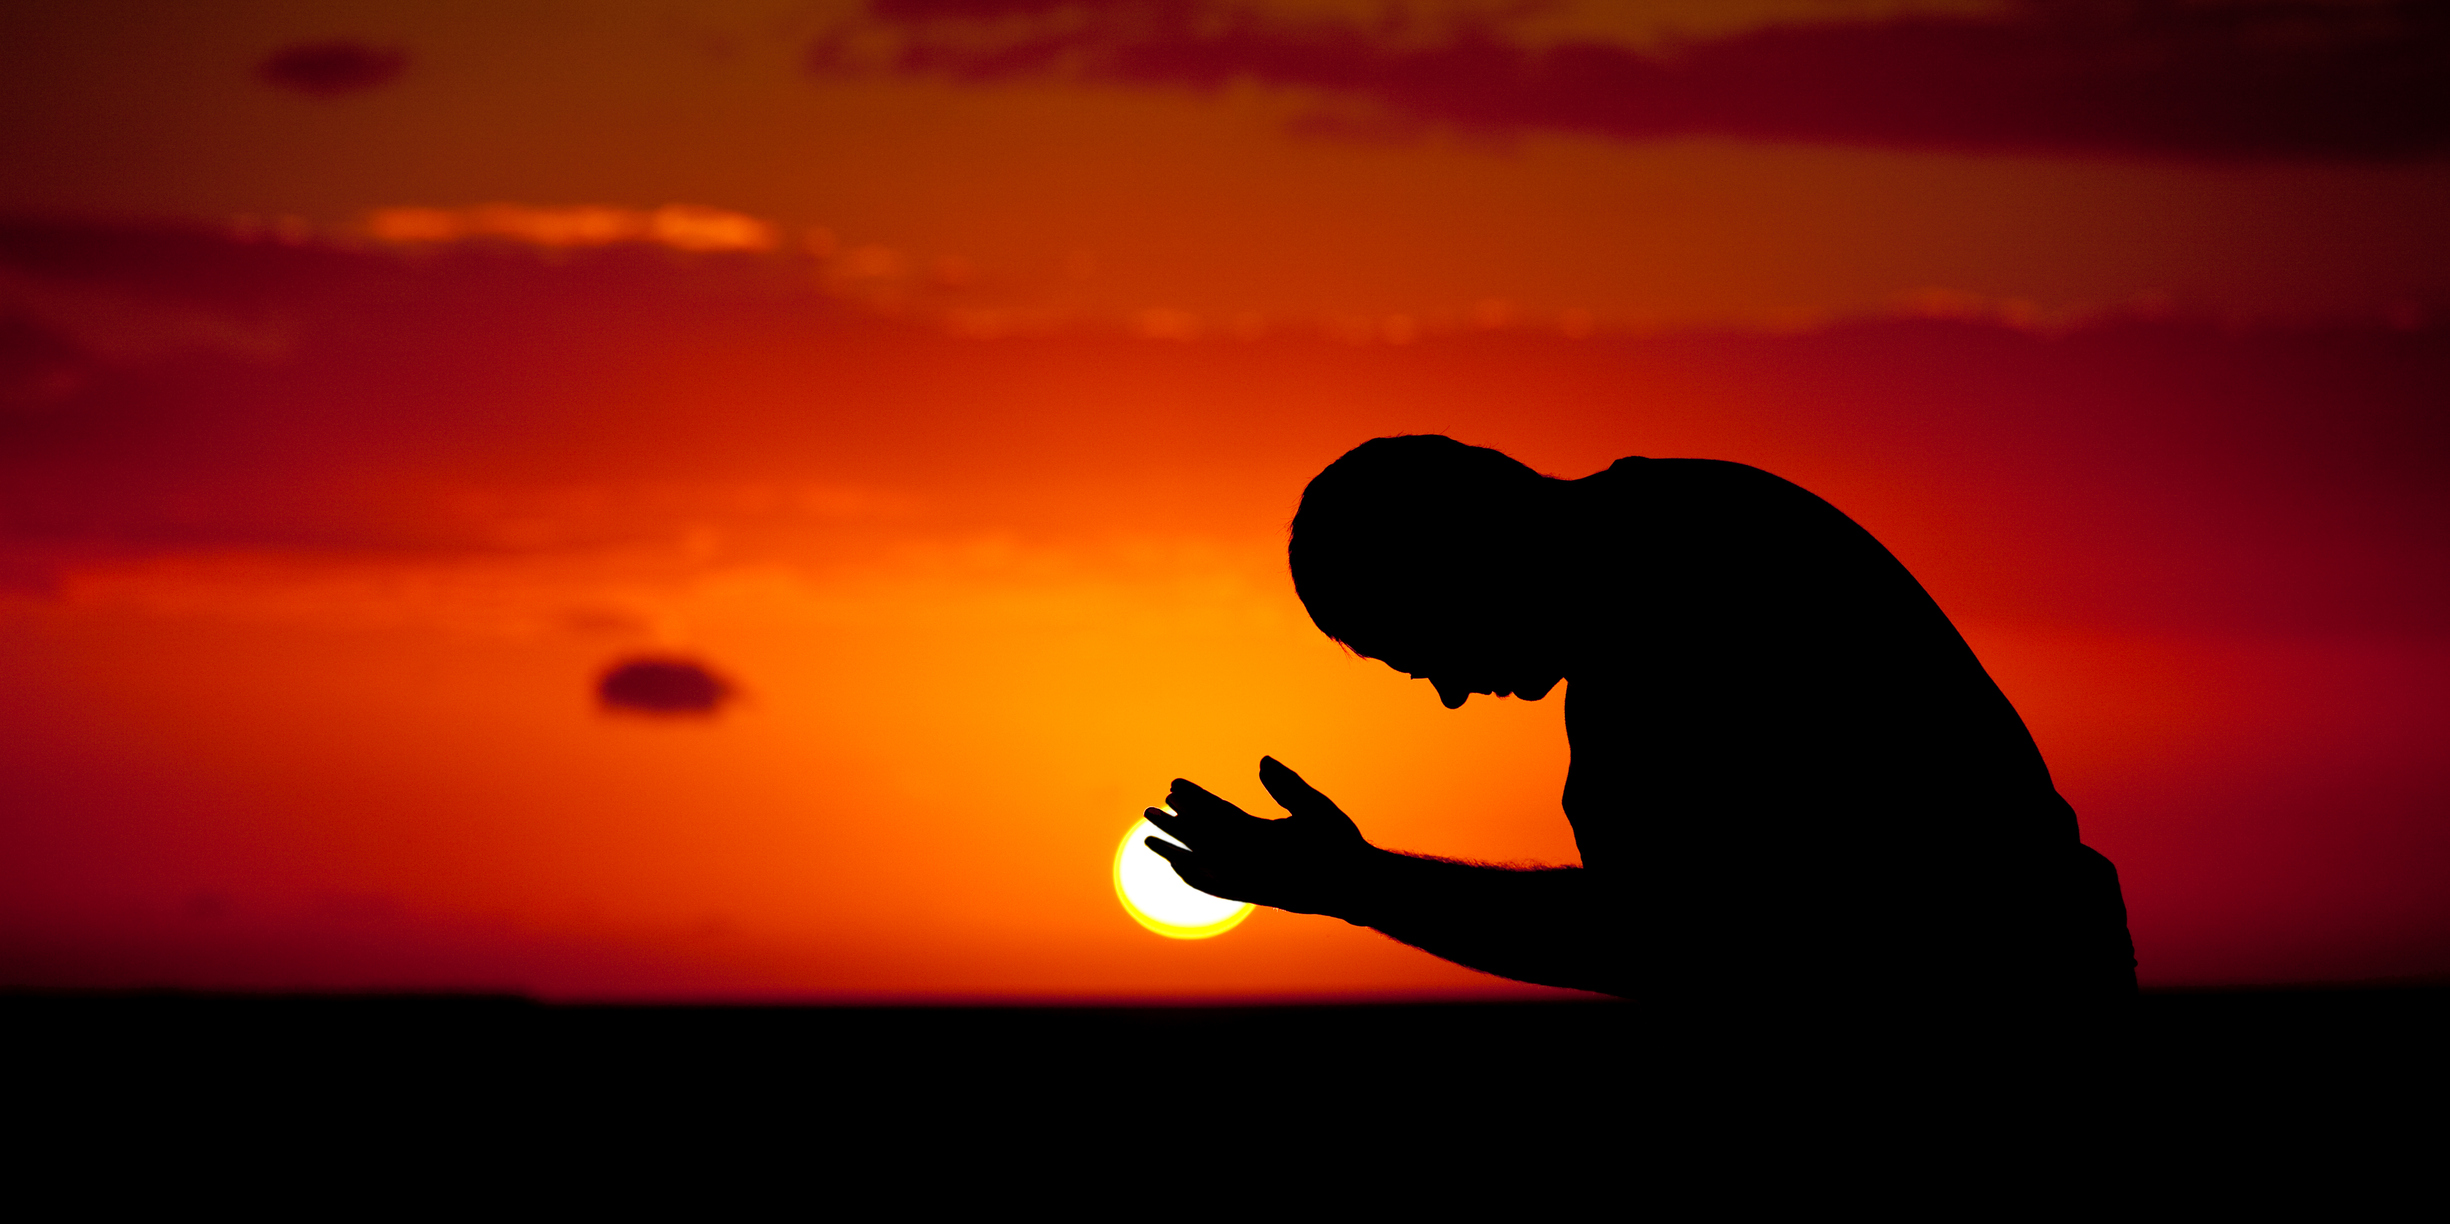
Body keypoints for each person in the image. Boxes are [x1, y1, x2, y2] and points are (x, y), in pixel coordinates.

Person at [1145, 435, 2137, 1005]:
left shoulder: (1684, 592)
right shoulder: (1684, 538)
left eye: (1422, 646)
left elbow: (1671, 936)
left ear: (1461, 556)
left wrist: (1358, 886)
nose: (1449, 692)